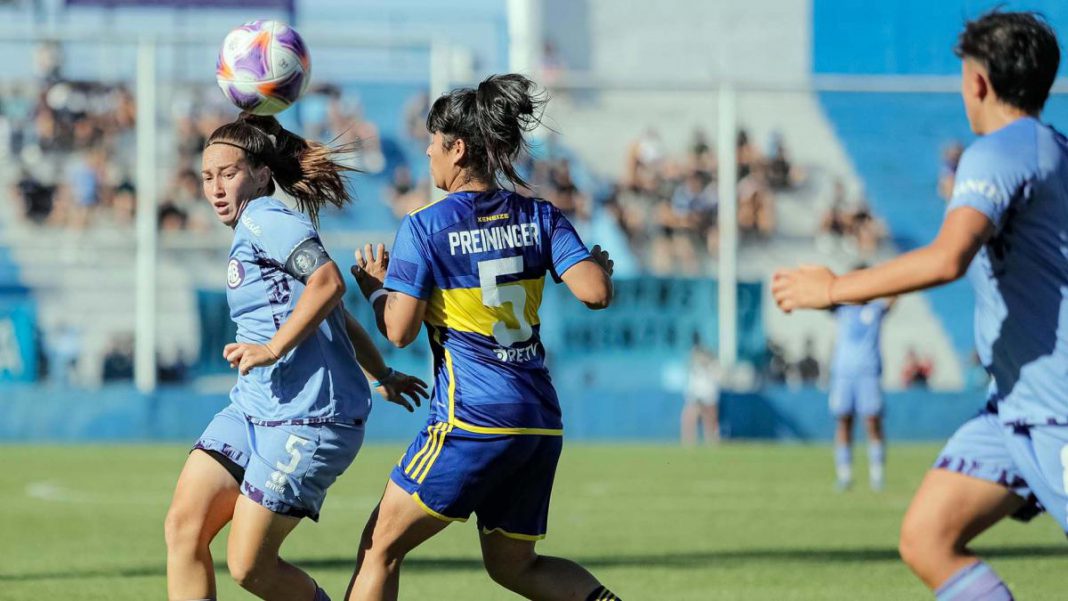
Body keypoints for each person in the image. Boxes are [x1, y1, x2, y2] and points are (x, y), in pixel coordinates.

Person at [772, 11, 1064, 600]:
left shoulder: (996, 152)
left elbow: (945, 258)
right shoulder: (1050, 148)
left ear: (978, 83)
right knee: (927, 537)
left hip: (1057, 411)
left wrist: (831, 289)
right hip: (1011, 412)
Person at [345, 74, 622, 601]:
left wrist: (376, 291)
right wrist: (599, 270)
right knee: (514, 566)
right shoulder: (539, 214)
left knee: (378, 548)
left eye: (433, 141)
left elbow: (399, 332)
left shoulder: (425, 226)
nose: (427, 152)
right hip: (538, 422)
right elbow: (595, 293)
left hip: (473, 419)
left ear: (459, 147)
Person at [164, 112, 427, 601]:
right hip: (253, 407)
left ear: (262, 175)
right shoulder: (251, 228)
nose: (216, 188)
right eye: (207, 177)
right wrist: (382, 372)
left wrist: (272, 347)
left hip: (309, 418)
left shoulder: (266, 219)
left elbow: (329, 281)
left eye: (229, 174)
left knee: (248, 567)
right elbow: (337, 316)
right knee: (184, 526)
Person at [828, 287, 895, 492]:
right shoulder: (842, 309)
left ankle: (877, 475)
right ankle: (844, 475)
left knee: (872, 421)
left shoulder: (876, 309)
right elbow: (823, 298)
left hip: (868, 372)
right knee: (843, 421)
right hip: (844, 374)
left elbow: (894, 294)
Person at [680, 334, 721, 446]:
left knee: (710, 420)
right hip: (696, 393)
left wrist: (705, 359)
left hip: (708, 393)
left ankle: (712, 442)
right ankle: (688, 443)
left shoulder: (710, 359)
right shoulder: (693, 358)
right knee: (689, 418)